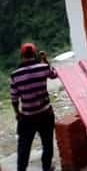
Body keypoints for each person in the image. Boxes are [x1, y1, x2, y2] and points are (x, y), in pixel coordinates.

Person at [9, 43, 57, 171]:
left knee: (24, 146)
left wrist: (17, 113)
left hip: (27, 117)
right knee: (47, 144)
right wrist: (45, 60)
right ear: (34, 53)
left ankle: (21, 168)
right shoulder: (42, 68)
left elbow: (14, 98)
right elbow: (54, 75)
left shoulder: (15, 75)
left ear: (22, 55)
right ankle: (46, 168)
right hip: (45, 114)